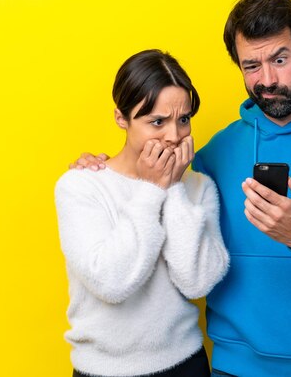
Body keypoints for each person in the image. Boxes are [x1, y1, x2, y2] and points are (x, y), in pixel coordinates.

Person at [73, 0, 291, 377]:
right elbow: (156, 197)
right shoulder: (215, 155)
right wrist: (102, 167)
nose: (268, 80)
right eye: (251, 66)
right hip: (233, 368)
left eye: (280, 59)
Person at [55, 49, 229, 377]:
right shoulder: (80, 187)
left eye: (183, 119)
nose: (174, 136)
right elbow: (111, 282)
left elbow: (197, 283)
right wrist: (151, 191)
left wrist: (173, 188)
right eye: (157, 122)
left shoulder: (199, 188)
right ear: (122, 118)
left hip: (185, 364)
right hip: (102, 370)